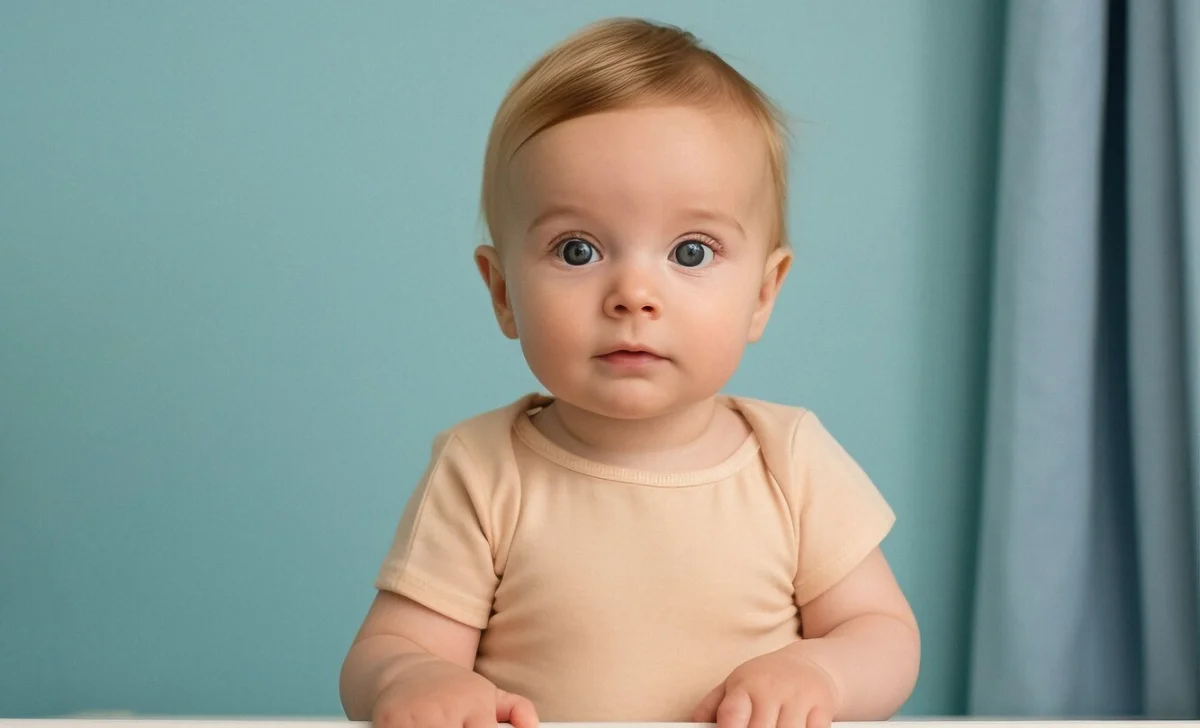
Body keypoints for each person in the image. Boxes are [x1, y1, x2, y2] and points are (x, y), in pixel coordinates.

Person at [340, 16, 919, 728]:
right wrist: (413, 678)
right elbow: (387, 649)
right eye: (578, 250)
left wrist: (820, 670)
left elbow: (884, 635)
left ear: (764, 293)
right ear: (501, 292)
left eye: (691, 251)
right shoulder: (483, 469)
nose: (633, 294)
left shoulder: (790, 460)